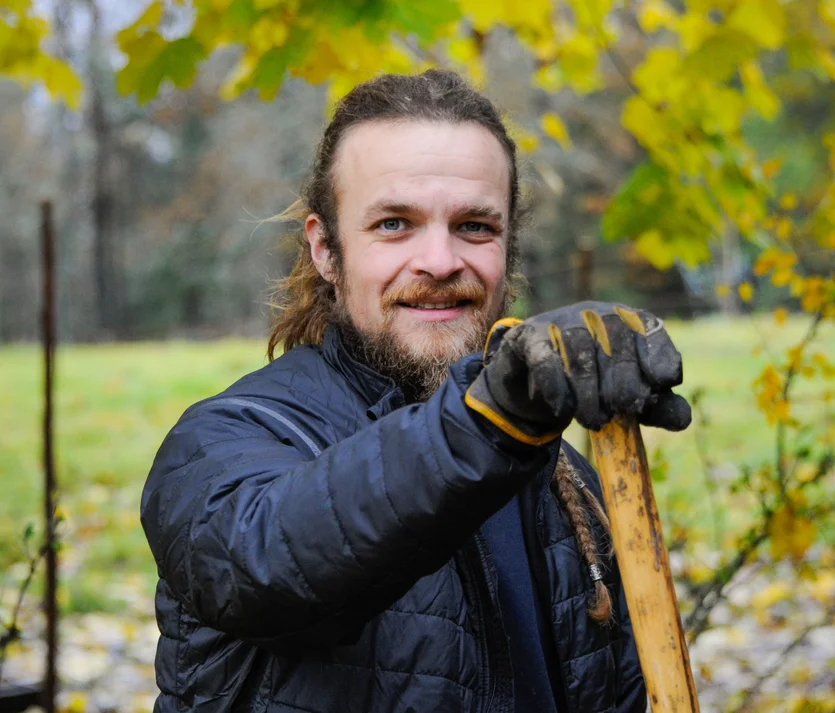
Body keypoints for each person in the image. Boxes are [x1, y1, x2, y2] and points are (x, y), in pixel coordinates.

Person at [142, 69, 691, 713]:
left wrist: (504, 423)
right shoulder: (226, 440)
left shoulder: (564, 479)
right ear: (326, 249)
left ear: (508, 247)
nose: (440, 260)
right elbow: (259, 570)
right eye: (395, 224)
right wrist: (489, 421)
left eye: (476, 227)